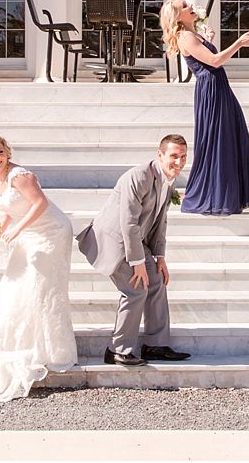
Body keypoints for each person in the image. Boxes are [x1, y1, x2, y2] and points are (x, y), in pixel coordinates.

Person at [0, 134, 78, 401]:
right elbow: (12, 207)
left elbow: (40, 203)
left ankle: (49, 347)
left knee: (41, 285)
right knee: (16, 283)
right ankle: (21, 337)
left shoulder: (20, 175)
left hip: (51, 231)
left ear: (7, 153)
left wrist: (18, 229)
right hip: (28, 231)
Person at [76, 135, 192, 366]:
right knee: (136, 289)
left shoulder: (169, 181)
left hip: (138, 242)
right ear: (160, 155)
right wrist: (137, 261)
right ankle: (117, 350)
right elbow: (127, 222)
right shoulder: (138, 176)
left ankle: (155, 345)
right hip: (113, 242)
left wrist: (159, 257)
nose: (179, 162)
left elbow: (160, 221)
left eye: (183, 157)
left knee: (156, 279)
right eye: (173, 156)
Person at [159, 0, 249, 215]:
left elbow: (207, 59)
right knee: (217, 139)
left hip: (217, 87)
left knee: (226, 137)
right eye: (185, 6)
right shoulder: (185, 36)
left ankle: (224, 193)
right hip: (212, 91)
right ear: (178, 15)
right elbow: (214, 61)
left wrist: (208, 39)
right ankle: (213, 195)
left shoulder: (191, 34)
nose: (191, 7)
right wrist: (238, 43)